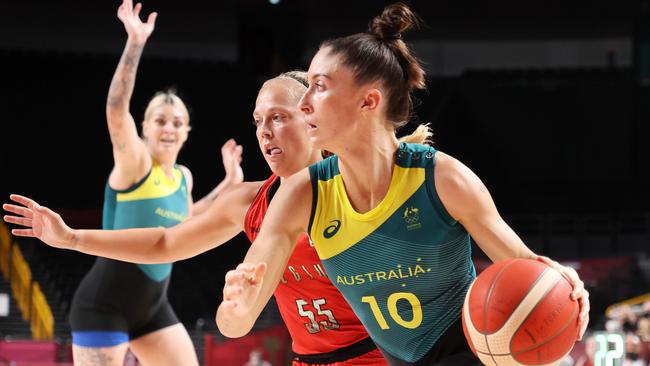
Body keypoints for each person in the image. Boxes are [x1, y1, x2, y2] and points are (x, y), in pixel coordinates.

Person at [210, 3, 591, 366]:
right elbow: (236, 324)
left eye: (319, 86)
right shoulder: (302, 194)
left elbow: (527, 270)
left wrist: (564, 289)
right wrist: (235, 305)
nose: (305, 103)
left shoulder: (442, 179)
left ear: (369, 101)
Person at [3, 71, 404, 365]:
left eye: (278, 117)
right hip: (307, 361)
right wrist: (72, 238)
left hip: (379, 357)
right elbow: (166, 242)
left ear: (313, 119)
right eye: (258, 121)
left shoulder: (359, 189)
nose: (264, 132)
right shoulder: (248, 202)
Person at [14, 1, 242, 364]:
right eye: (160, 120)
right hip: (103, 306)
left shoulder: (183, 176)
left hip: (152, 310)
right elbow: (116, 110)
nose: (169, 128)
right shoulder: (136, 164)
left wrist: (228, 183)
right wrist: (135, 43)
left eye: (177, 122)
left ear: (187, 132)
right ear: (145, 127)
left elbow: (184, 220)